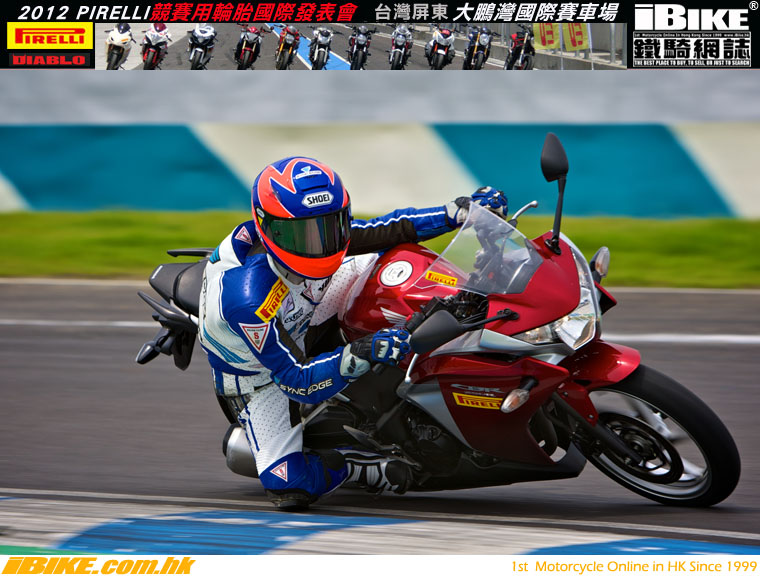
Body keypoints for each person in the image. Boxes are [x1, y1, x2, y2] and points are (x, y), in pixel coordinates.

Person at [198, 157, 508, 510]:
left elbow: (387, 228)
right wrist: (362, 351)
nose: (321, 244)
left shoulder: (319, 238)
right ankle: (361, 468)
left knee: (398, 263)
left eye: (330, 226)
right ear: (269, 228)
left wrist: (457, 213)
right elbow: (295, 381)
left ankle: (470, 318)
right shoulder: (247, 299)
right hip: (262, 374)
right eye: (304, 235)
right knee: (289, 485)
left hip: (308, 301)